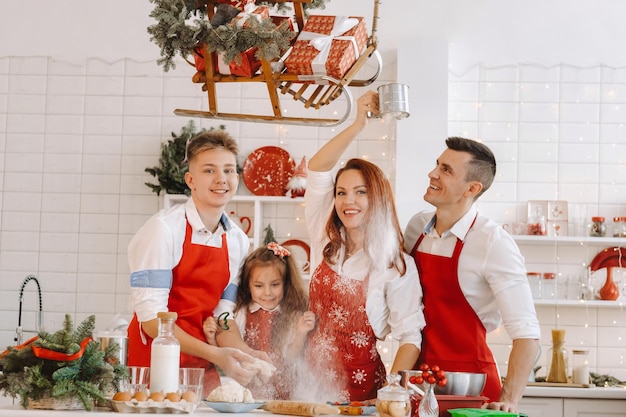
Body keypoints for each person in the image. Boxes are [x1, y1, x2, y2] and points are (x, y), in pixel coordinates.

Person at [299, 90, 425, 403]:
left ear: (378, 198)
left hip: (364, 395)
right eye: (341, 193)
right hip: (308, 387)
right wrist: (357, 124)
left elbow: (410, 337)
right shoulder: (324, 239)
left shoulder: (394, 265)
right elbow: (317, 169)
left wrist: (391, 392)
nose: (348, 201)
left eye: (360, 192)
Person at [403, 136, 541, 413]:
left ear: (472, 188)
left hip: (472, 393)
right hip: (419, 384)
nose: (433, 174)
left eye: (446, 170)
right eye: (437, 165)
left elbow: (527, 335)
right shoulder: (416, 227)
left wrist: (509, 400)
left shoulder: (493, 242)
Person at [126, 129, 263, 393]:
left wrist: (245, 353)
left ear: (237, 177)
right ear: (191, 179)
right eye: (209, 170)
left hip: (201, 366)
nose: (221, 179)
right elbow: (153, 321)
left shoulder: (237, 241)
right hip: (153, 365)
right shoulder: (163, 230)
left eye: (228, 170)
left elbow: (222, 315)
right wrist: (216, 354)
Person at [203, 242, 315, 400]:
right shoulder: (241, 314)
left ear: (286, 283)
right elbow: (229, 357)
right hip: (248, 396)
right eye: (259, 286)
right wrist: (211, 339)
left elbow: (292, 359)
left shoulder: (292, 316)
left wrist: (300, 334)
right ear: (248, 286)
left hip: (284, 395)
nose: (267, 293)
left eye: (275, 284)